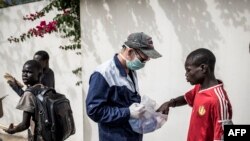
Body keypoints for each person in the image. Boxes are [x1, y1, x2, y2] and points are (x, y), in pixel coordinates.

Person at [86, 32, 162, 141]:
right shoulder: (104, 74)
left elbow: (127, 103)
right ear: (130, 52)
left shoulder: (131, 70)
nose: (145, 63)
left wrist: (147, 110)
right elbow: (94, 111)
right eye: (143, 59)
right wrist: (128, 112)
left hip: (132, 136)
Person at [157, 48, 233, 141]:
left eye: (188, 70)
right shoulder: (199, 88)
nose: (186, 74)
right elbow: (186, 98)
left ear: (203, 68)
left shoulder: (218, 100)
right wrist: (169, 103)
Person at [4, 60, 45, 141]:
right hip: (47, 134)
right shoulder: (43, 88)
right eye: (23, 72)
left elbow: (24, 125)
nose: (25, 75)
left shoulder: (29, 93)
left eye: (29, 72)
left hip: (38, 136)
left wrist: (12, 131)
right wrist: (16, 87)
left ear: (39, 74)